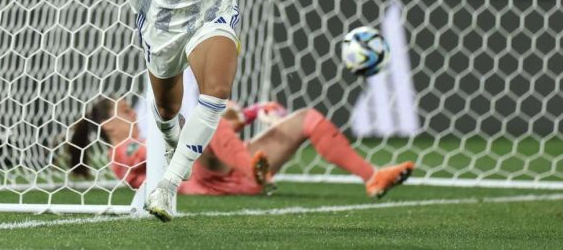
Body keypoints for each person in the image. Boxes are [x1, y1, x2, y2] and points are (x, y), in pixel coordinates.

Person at [35, 0, 425, 221]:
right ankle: (173, 144)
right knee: (167, 112)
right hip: (163, 23)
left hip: (214, 14)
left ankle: (168, 186)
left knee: (217, 91)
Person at [58, 91, 414, 199]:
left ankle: (372, 175)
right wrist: (227, 117)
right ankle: (253, 168)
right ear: (107, 125)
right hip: (205, 182)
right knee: (207, 123)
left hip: (235, 171)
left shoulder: (142, 137)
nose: (131, 114)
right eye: (123, 111)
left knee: (308, 118)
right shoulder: (122, 153)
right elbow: (170, 153)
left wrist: (250, 113)